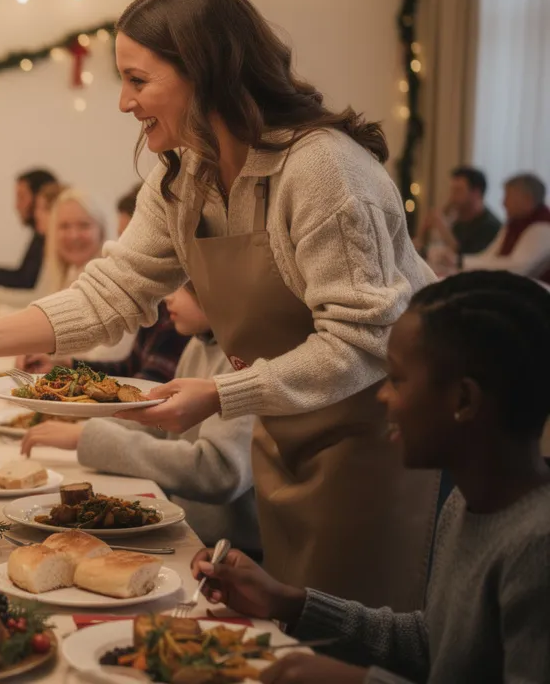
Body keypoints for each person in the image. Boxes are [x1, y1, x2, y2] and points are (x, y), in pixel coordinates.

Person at [0, 0, 439, 611]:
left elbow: (365, 338)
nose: (124, 102)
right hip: (282, 439)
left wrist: (220, 393)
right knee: (287, 637)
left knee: (356, 643)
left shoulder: (323, 170)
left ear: (206, 74)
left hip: (379, 445)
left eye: (138, 80)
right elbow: (110, 292)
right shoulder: (185, 177)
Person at [189, 271, 550, 684]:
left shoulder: (537, 548)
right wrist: (287, 601)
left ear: (463, 400)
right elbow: (431, 643)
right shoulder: (467, 503)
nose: (383, 396)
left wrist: (358, 682)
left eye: (396, 380)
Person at [22, 284, 259, 554]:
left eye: (181, 287)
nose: (168, 296)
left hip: (227, 550)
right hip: (188, 530)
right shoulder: (197, 344)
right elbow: (164, 423)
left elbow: (217, 472)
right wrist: (87, 431)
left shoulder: (246, 358)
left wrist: (88, 438)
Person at [17, 187, 189, 382]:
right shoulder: (72, 272)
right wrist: (65, 364)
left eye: (83, 225)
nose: (73, 235)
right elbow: (128, 367)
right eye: (64, 226)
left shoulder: (153, 297)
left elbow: (142, 380)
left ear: (101, 230)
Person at [462, 172, 550, 281]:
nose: (503, 202)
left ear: (527, 200)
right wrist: (458, 261)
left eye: (508, 196)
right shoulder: (514, 223)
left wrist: (460, 262)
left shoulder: (543, 227)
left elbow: (517, 267)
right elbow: (490, 256)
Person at [414, 166, 502, 258]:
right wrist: (423, 232)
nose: (452, 196)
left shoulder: (490, 226)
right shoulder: (460, 222)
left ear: (476, 193)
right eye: (452, 190)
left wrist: (443, 228)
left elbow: (464, 261)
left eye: (458, 190)